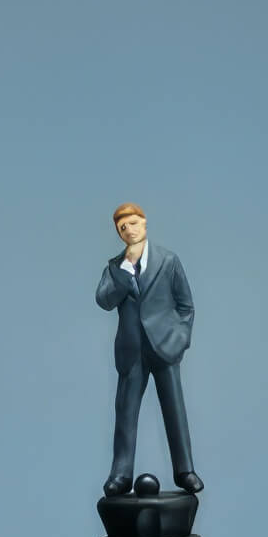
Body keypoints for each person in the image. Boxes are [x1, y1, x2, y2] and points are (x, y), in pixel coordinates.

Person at [96, 204, 201, 496]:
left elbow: (186, 306)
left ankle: (185, 471)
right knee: (126, 413)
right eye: (122, 227)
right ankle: (120, 474)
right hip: (132, 350)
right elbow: (104, 300)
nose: (129, 230)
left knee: (174, 410)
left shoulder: (167, 261)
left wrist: (179, 339)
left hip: (164, 346)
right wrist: (125, 274)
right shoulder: (115, 268)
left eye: (133, 223)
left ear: (144, 223)